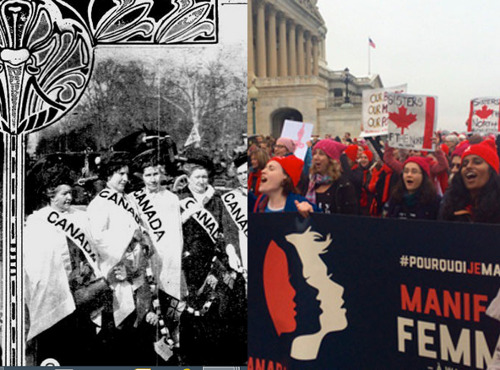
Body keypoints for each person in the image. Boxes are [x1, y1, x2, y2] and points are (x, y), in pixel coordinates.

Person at [24, 163, 112, 365]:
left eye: (70, 193)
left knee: (84, 352)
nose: (69, 198)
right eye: (64, 194)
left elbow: (97, 247)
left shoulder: (80, 217)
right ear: (50, 194)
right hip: (55, 297)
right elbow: (35, 264)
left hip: (84, 295)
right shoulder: (37, 222)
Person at [86, 152, 153, 364]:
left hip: (135, 273)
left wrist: (141, 238)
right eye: (119, 174)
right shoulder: (100, 203)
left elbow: (140, 230)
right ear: (107, 176)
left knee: (135, 336)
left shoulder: (129, 201)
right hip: (114, 274)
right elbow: (96, 238)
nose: (125, 178)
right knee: (115, 335)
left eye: (126, 173)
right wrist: (128, 237)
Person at [177, 151, 240, 365]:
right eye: (197, 177)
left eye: (204, 177)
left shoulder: (216, 200)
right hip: (188, 263)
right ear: (189, 179)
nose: (202, 181)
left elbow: (223, 230)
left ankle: (213, 357)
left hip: (212, 262)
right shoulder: (179, 199)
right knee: (190, 308)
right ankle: (190, 356)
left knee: (214, 308)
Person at [129, 156, 184, 361]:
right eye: (148, 175)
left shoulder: (171, 198)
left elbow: (176, 234)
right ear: (141, 177)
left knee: (169, 312)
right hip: (145, 262)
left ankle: (169, 355)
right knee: (146, 313)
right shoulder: (133, 199)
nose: (153, 179)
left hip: (168, 262)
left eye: (156, 174)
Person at [439, 139, 500, 223]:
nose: (468, 166)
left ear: (491, 171)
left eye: (477, 162)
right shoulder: (450, 204)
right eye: (464, 164)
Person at [303, 139, 358, 215]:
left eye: (321, 154)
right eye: (314, 153)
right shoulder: (309, 182)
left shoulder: (344, 186)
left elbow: (350, 219)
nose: (316, 157)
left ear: (331, 160)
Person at [253, 155, 319, 216]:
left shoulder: (299, 204)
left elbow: (322, 222)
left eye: (271, 169)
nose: (263, 171)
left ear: (285, 177)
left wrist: (311, 214)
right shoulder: (260, 202)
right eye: (265, 168)